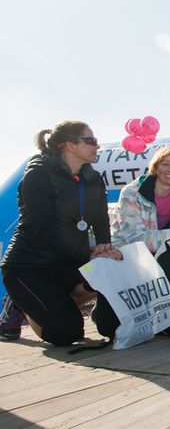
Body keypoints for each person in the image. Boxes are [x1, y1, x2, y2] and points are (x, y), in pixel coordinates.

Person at [0, 122, 122, 346]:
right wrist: (88, 255)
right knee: (68, 333)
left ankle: (48, 302)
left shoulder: (93, 178)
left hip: (67, 262)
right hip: (30, 266)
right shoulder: (37, 175)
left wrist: (104, 249)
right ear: (69, 145)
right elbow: (46, 228)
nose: (97, 145)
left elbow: (101, 219)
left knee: (109, 269)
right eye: (91, 140)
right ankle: (20, 305)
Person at [111, 145, 170, 252]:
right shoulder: (131, 194)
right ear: (156, 168)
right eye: (165, 164)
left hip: (167, 254)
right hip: (127, 255)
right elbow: (137, 240)